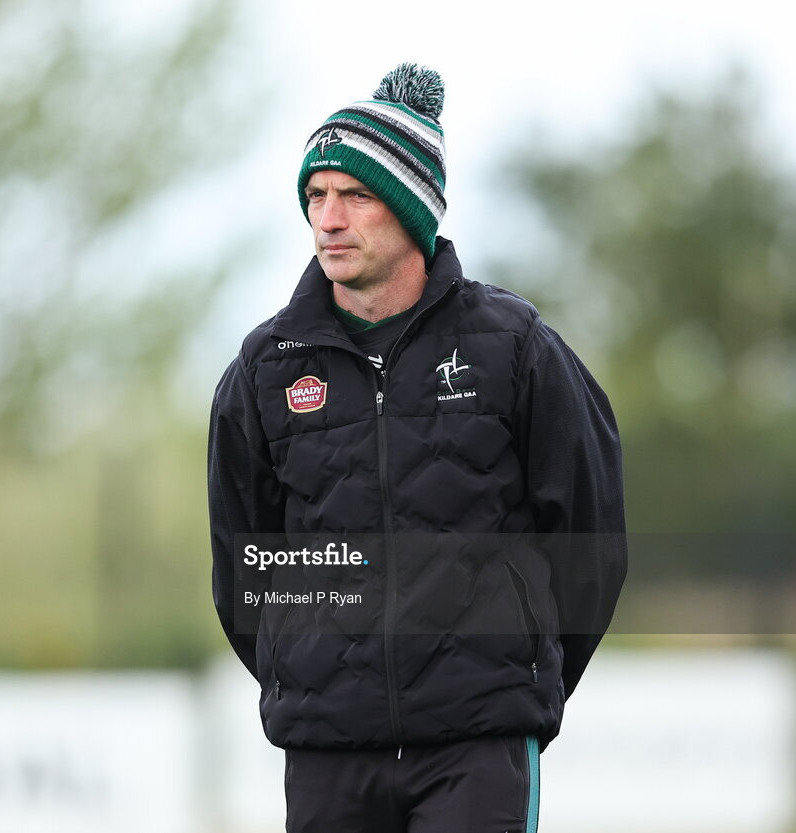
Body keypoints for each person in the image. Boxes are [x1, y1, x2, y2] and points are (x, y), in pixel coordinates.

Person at [208, 63, 626, 833]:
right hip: (329, 748)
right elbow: (246, 566)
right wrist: (306, 667)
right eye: (315, 196)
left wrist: (520, 675)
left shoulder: (517, 348)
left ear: (411, 208)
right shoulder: (264, 371)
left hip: (478, 745)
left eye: (354, 195)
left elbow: (591, 542)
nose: (327, 217)